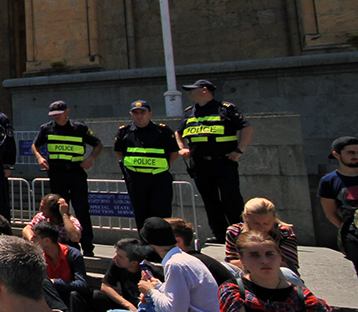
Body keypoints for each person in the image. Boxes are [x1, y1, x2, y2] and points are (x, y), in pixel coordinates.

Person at [177, 79, 253, 243]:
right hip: (200, 164)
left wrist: (239, 150)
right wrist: (181, 148)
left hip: (223, 163)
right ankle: (220, 235)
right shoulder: (190, 112)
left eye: (193, 89)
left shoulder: (225, 109)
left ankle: (240, 235)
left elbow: (246, 127)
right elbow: (178, 132)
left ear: (205, 90)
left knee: (231, 200)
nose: (189, 92)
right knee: (210, 201)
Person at [33, 100, 103, 255]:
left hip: (76, 172)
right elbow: (35, 144)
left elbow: (98, 144)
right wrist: (39, 157)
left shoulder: (80, 128)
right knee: (58, 211)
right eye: (54, 115)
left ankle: (87, 246)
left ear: (67, 112)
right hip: (57, 173)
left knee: (82, 209)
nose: (57, 117)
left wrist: (90, 159)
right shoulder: (47, 128)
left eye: (59, 114)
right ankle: (64, 243)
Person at [114, 100, 180, 229]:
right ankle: (144, 240)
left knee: (161, 214)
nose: (139, 116)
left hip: (159, 179)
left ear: (150, 113)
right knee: (141, 214)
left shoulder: (163, 131)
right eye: (136, 113)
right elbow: (119, 153)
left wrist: (159, 167)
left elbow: (174, 154)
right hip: (136, 179)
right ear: (131, 114)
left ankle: (161, 240)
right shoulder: (124, 132)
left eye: (143, 112)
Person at [224, 197, 299, 274]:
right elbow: (231, 261)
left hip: (275, 272)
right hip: (245, 271)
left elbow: (290, 265)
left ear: (274, 218)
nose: (261, 228)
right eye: (256, 223)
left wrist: (253, 262)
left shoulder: (284, 232)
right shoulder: (234, 232)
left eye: (267, 223)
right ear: (246, 217)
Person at [31, 221, 91, 312]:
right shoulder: (39, 257)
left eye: (35, 237)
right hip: (53, 298)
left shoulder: (72, 255)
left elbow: (82, 284)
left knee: (74, 295)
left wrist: (55, 282)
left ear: (47, 241)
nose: (31, 239)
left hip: (71, 299)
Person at [318, 135, 358, 278]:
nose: (356, 156)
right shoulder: (329, 181)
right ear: (337, 154)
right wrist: (347, 230)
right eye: (351, 152)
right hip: (353, 236)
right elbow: (331, 213)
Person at [93, 238, 155, 312]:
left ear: (134, 263)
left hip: (145, 310)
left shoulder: (151, 272)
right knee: (98, 296)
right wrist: (128, 305)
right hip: (127, 306)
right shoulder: (117, 264)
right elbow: (105, 286)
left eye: (120, 256)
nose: (115, 258)